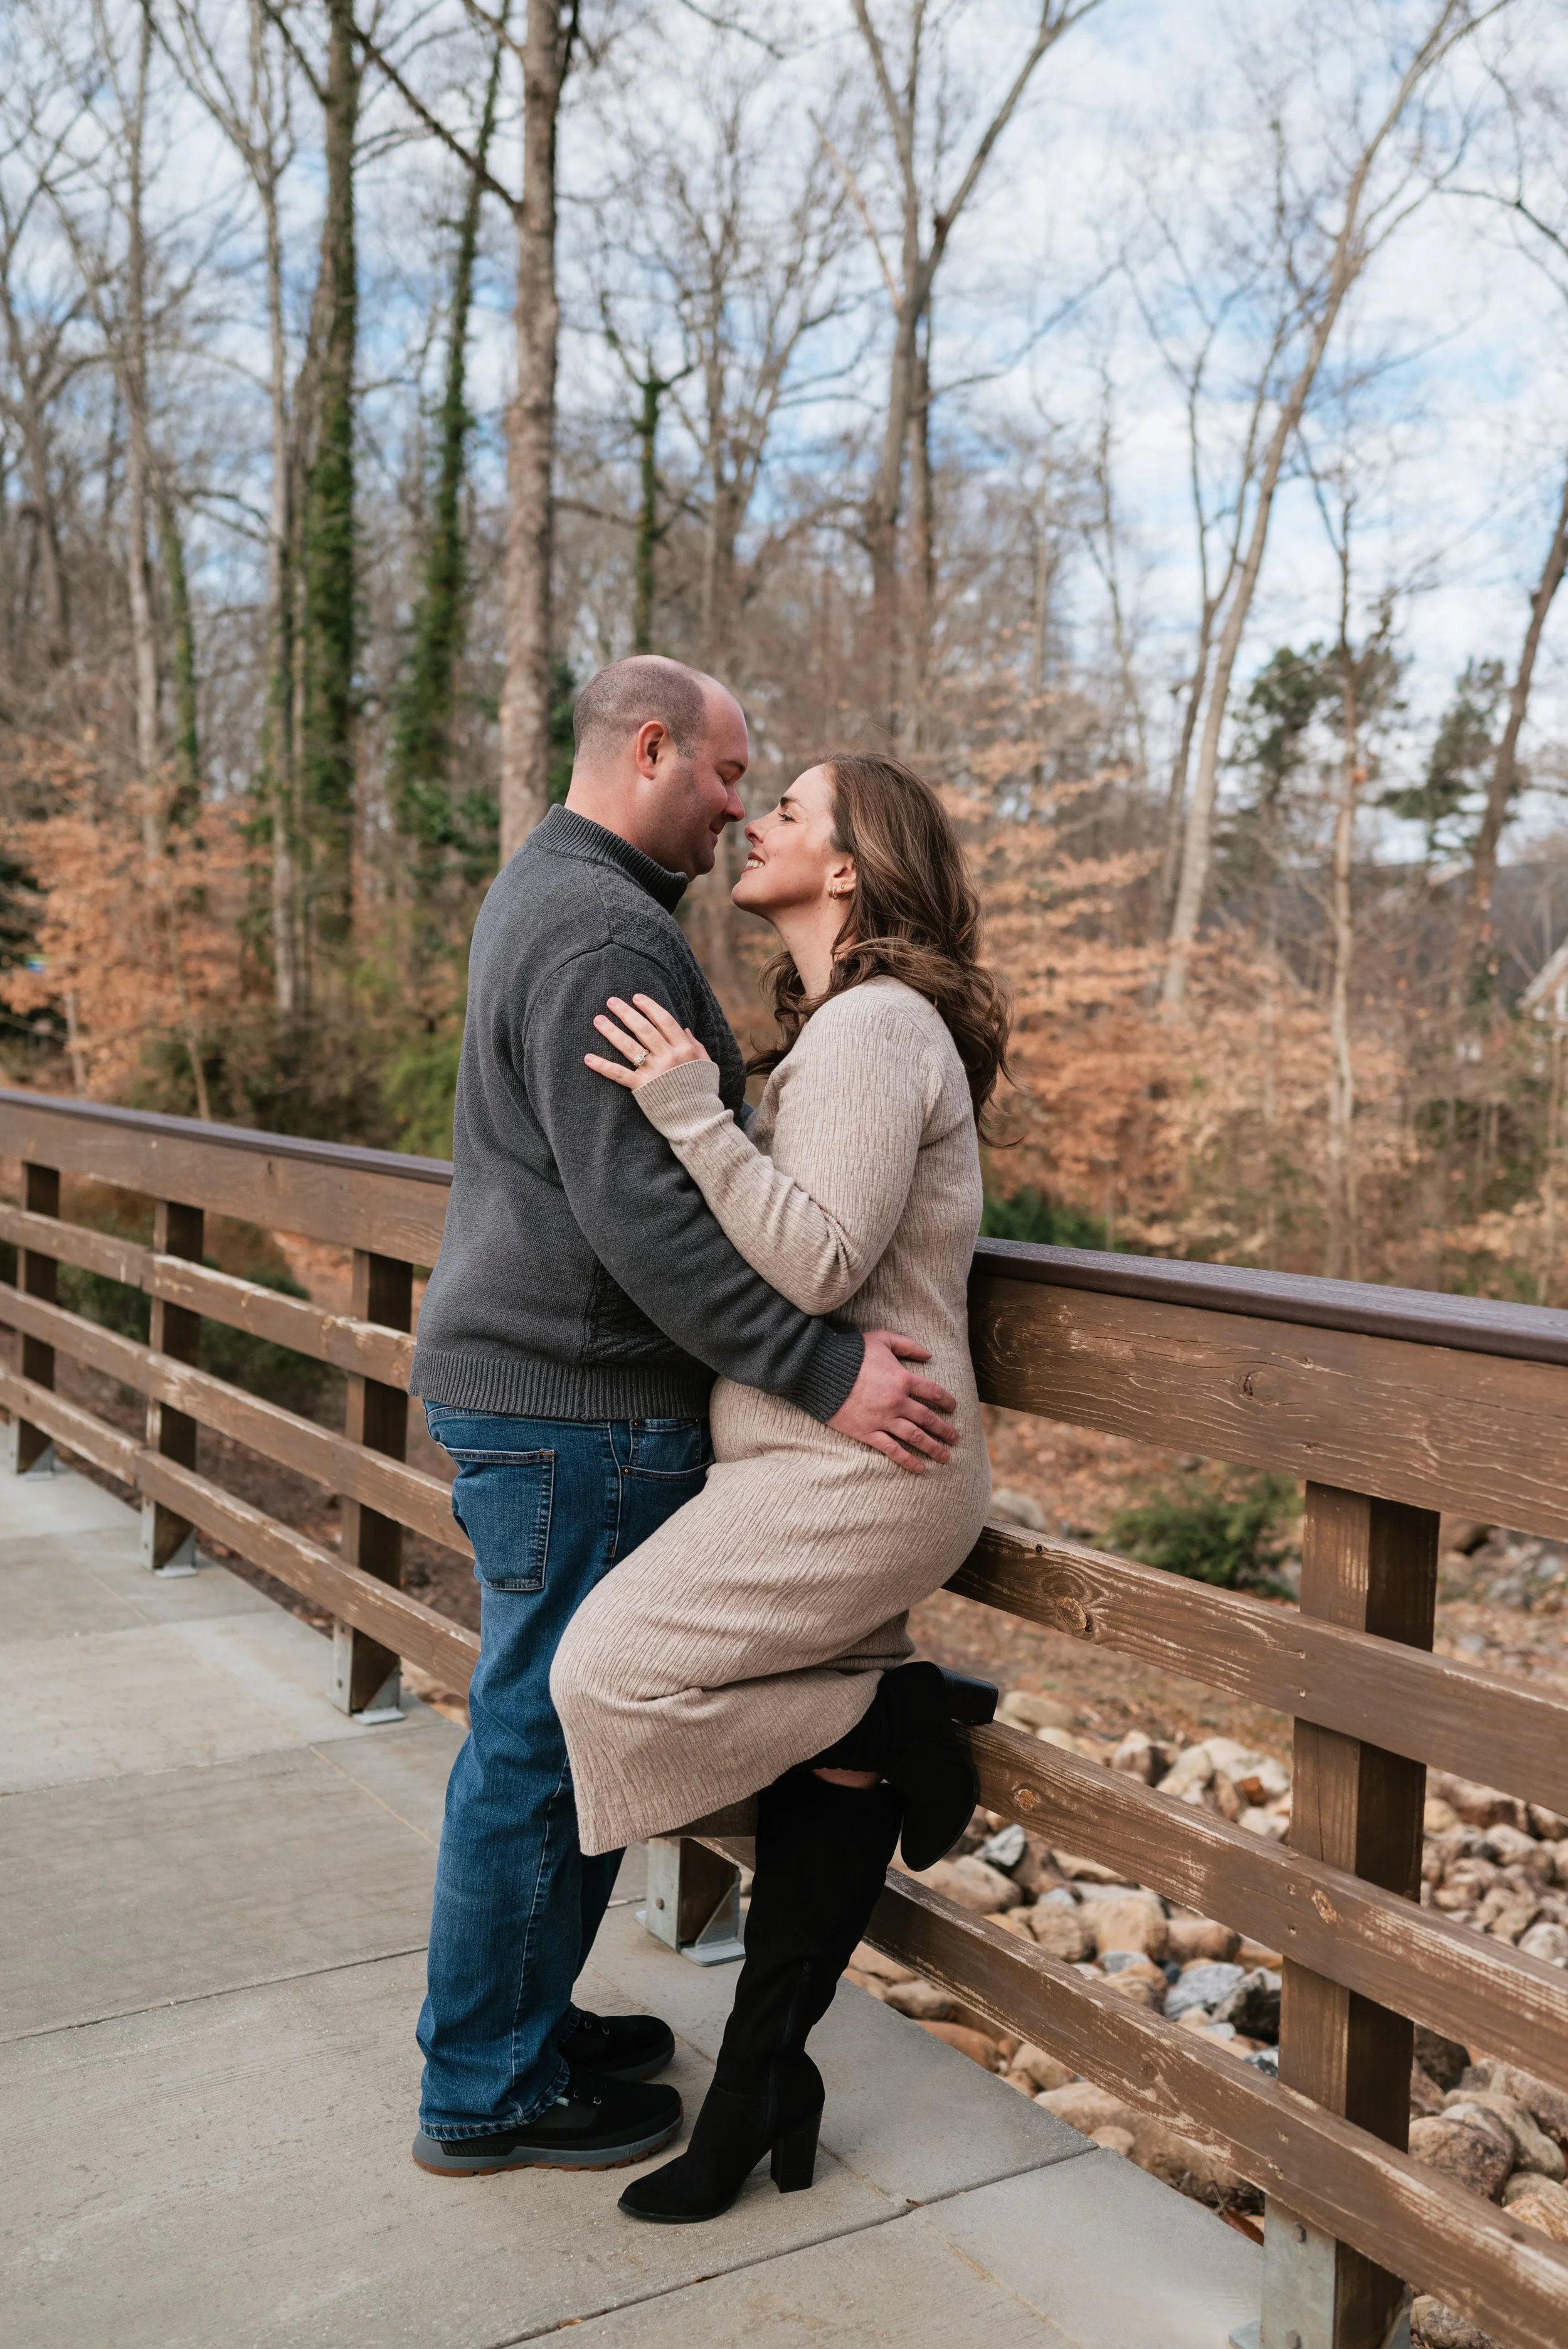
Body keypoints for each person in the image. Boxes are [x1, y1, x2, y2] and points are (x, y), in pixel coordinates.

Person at [407, 659, 965, 2179]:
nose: (735, 809)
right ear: (647, 747)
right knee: (542, 1731)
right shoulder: (602, 931)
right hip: (577, 1403)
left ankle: (514, 2029)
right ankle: (487, 2085)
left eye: (763, 795)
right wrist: (819, 1369)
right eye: (727, 777)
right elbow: (649, 1223)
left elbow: (757, 1213)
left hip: (554, 1395)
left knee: (540, 1722)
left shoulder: (555, 894)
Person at [551, 749, 1008, 2223]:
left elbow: (813, 1261)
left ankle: (896, 1708)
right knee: (828, 1773)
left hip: (858, 1472)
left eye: (791, 811)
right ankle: (759, 2087)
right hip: (821, 1462)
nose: (756, 820)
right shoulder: (844, 1030)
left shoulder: (877, 1027)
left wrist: (693, 1110)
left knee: (607, 1675)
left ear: (850, 870)